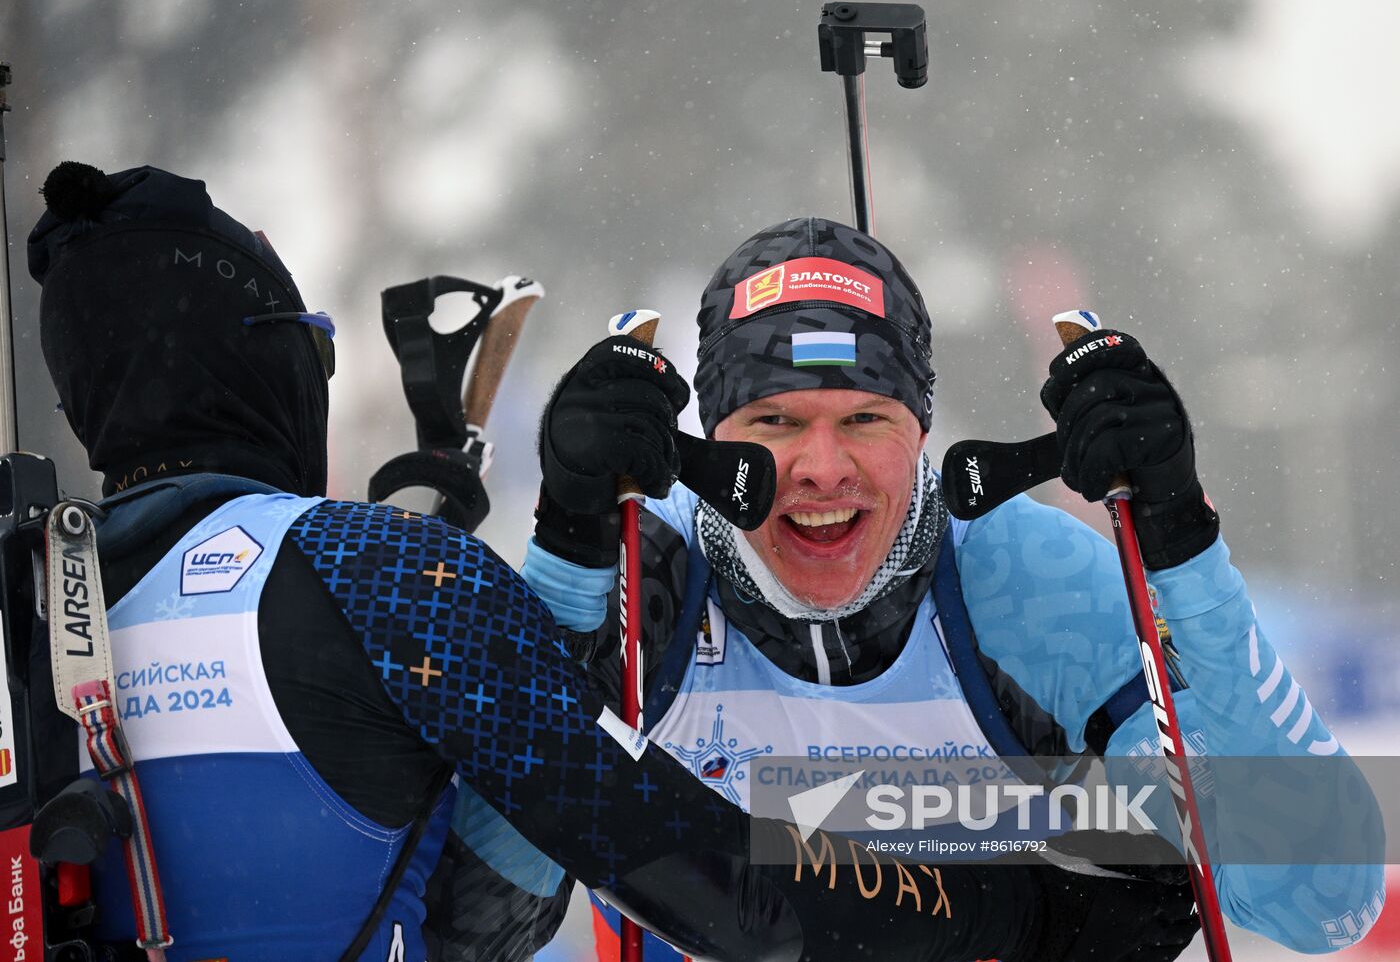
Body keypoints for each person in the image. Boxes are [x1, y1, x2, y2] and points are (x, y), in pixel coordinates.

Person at [24, 164, 1192, 962]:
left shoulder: (31, 590)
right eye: (310, 350)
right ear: (270, 365)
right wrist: (1035, 912)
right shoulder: (375, 572)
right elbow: (697, 876)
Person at [524, 216, 1387, 960]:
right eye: (775, 422)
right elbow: (481, 917)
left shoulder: (1019, 580)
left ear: (924, 428)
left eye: (866, 418)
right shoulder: (647, 582)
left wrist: (1183, 545)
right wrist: (563, 549)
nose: (824, 470)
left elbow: (1321, 901)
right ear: (709, 439)